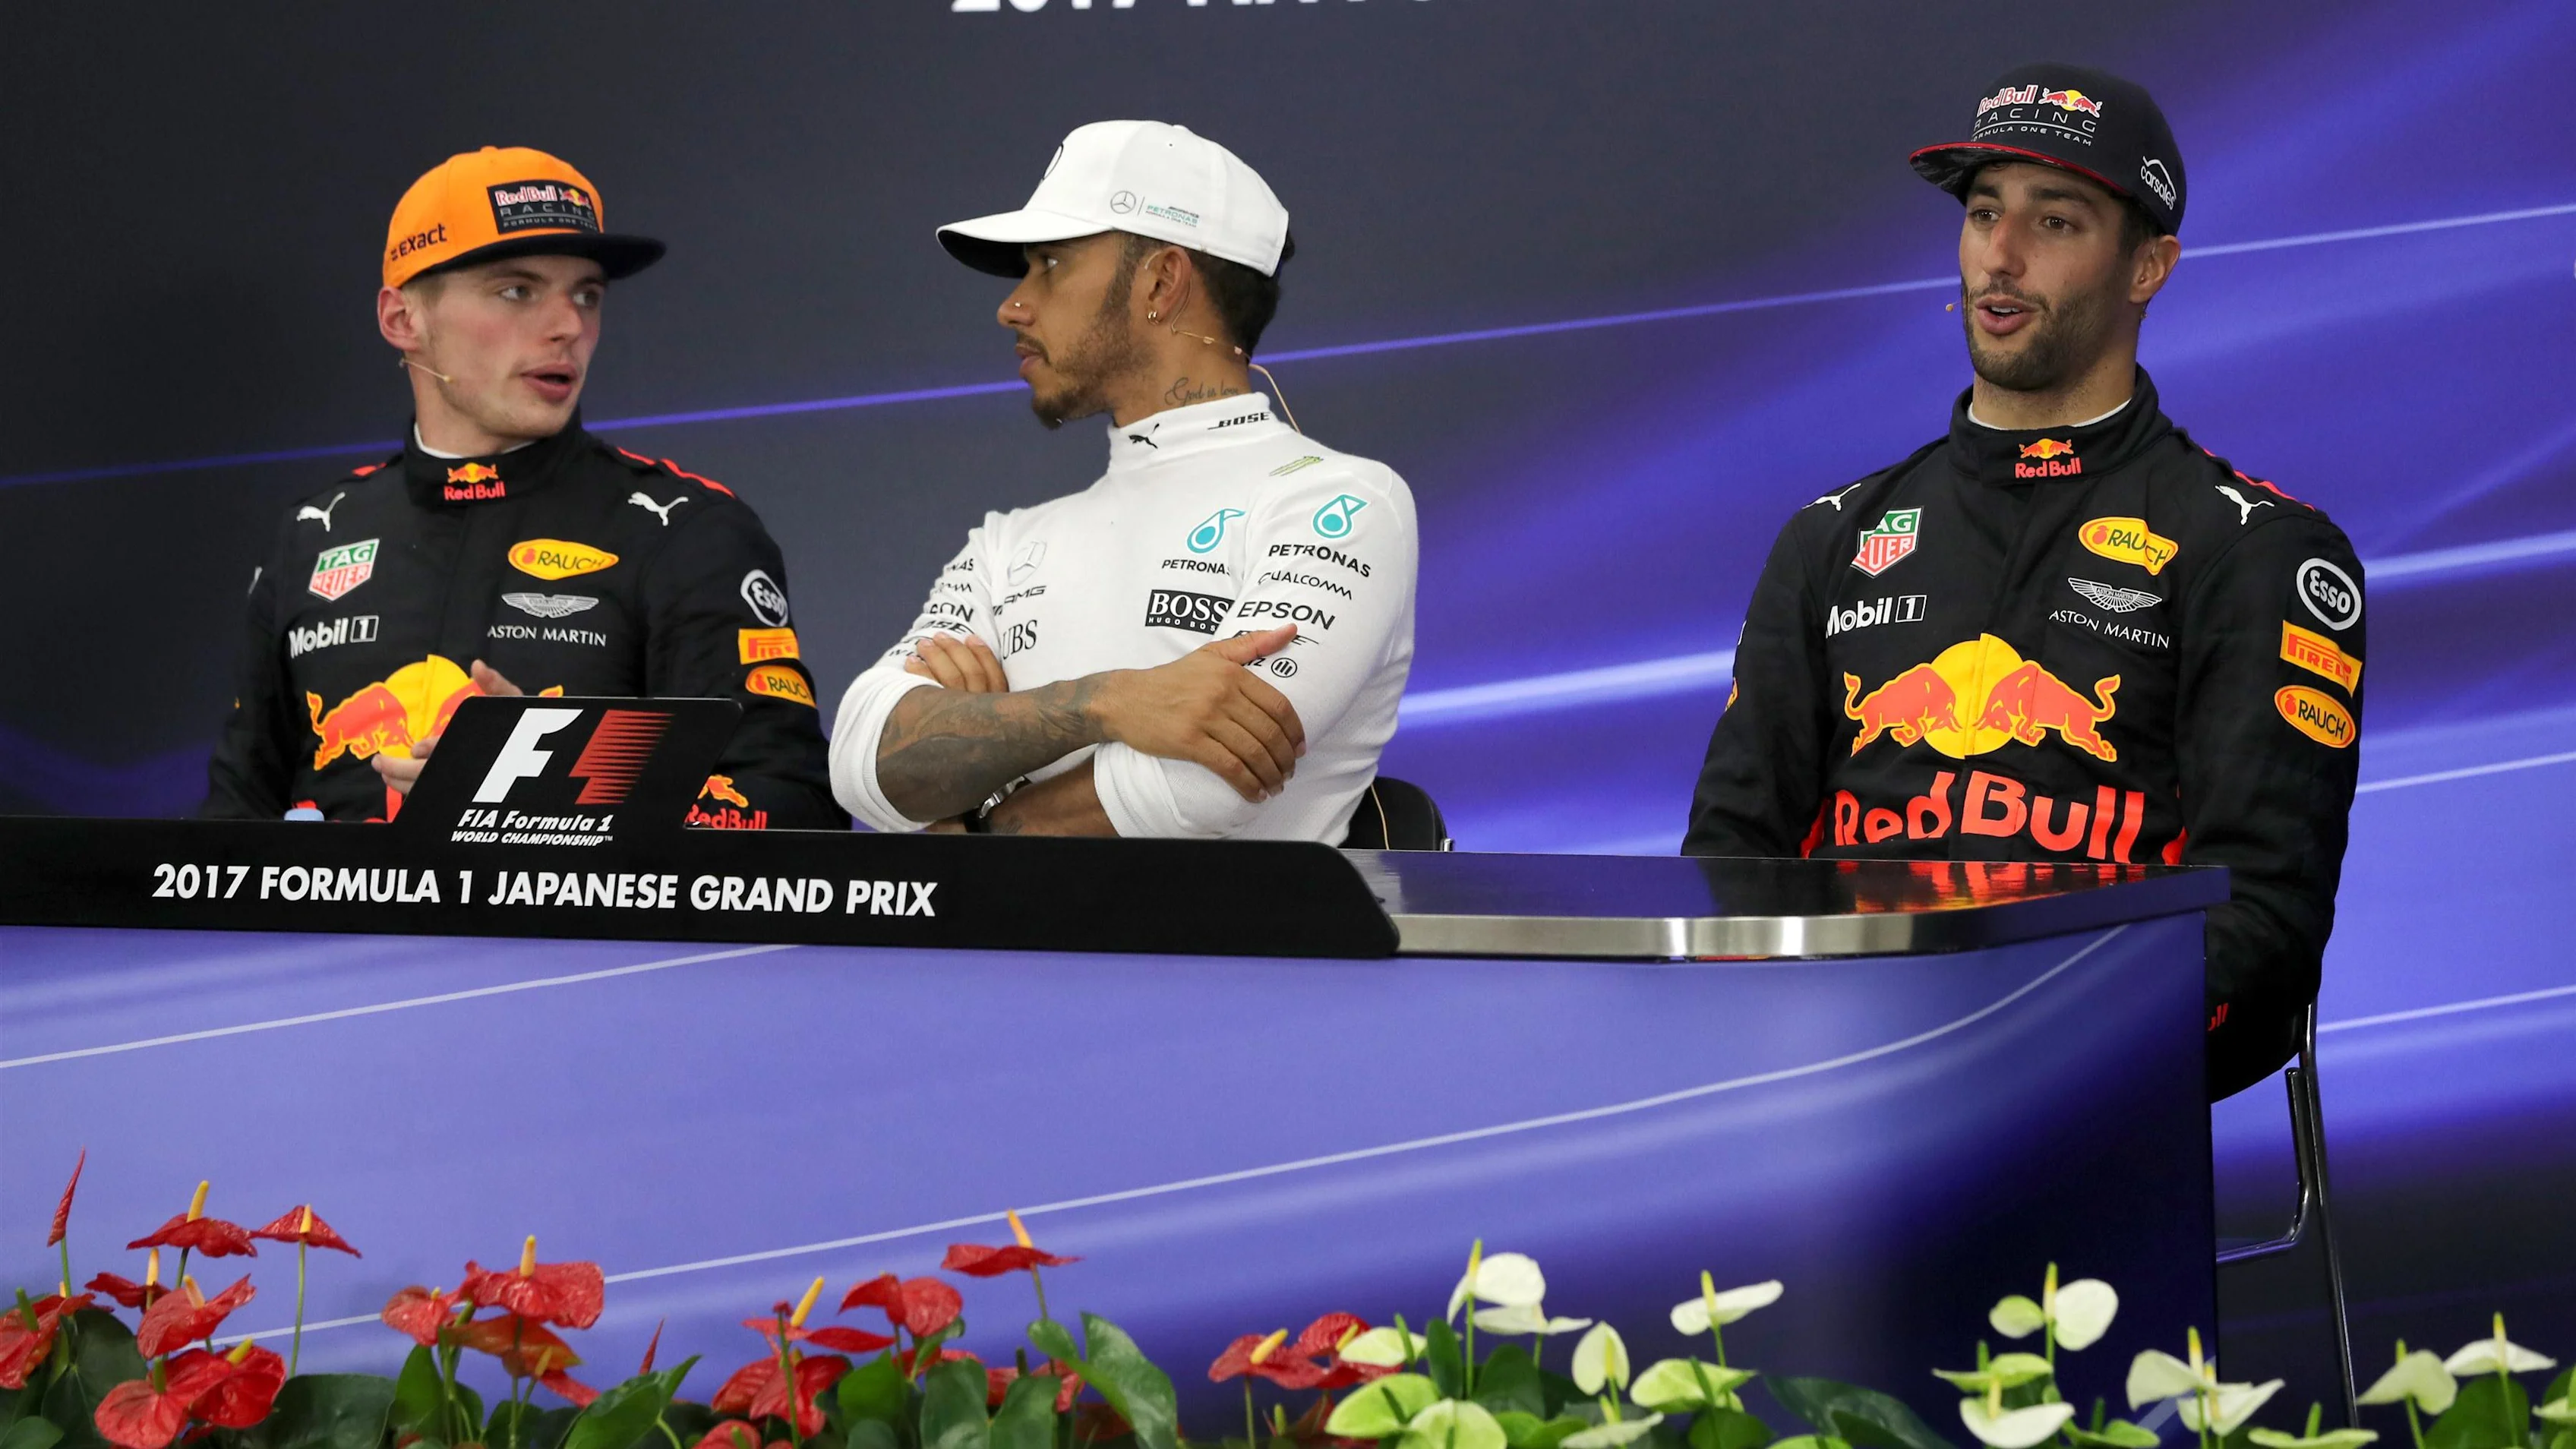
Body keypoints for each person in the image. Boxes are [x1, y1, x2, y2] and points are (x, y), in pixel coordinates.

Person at [1683, 65, 2364, 1100]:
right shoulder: (1831, 539)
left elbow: (2261, 920)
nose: (2000, 257)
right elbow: (1732, 860)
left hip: (2092, 1072)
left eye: (2056, 222)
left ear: (2148, 266)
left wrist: (2010, 1040)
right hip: (1834, 1071)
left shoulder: (2259, 549)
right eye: (1984, 213)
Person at [203, 146, 844, 829]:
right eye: (518, 291)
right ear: (402, 321)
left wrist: (558, 782)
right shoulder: (316, 531)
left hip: (575, 941)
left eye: (586, 295)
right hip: (338, 939)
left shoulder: (687, 530)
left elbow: (795, 814)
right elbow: (231, 819)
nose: (568, 325)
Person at [829, 122, 1416, 839]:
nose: (1012, 305)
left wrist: (971, 814)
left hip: (1224, 957)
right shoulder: (1007, 544)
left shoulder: (1341, 501)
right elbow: (864, 762)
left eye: (1049, 263)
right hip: (998, 958)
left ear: (1161, 282)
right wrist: (1105, 703)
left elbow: (1204, 787)